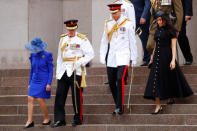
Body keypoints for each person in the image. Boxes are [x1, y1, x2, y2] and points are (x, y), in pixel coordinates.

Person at [144, 11, 193, 114]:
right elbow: (156, 46)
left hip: (167, 56)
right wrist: (151, 58)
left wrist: (173, 60)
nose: (159, 22)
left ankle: (171, 97)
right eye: (157, 20)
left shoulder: (172, 31)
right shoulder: (157, 31)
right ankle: (158, 106)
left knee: (170, 77)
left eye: (160, 20)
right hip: (157, 57)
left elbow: (174, 47)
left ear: (165, 19)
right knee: (155, 80)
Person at [51, 20, 94, 127]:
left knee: (76, 96)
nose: (71, 32)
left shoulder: (82, 39)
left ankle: (78, 118)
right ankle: (60, 119)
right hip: (63, 70)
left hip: (76, 71)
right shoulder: (63, 38)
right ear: (67, 29)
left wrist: (79, 62)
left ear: (76, 28)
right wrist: (58, 73)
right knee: (60, 95)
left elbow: (90, 54)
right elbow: (59, 57)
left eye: (73, 29)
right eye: (69, 30)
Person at [100, 3, 137, 115]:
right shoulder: (108, 23)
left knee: (120, 79)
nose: (114, 15)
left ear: (120, 11)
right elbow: (104, 41)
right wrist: (102, 56)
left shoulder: (127, 23)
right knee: (111, 82)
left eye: (115, 13)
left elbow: (132, 42)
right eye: (112, 13)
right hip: (111, 57)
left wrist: (133, 58)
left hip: (123, 56)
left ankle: (119, 107)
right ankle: (118, 103)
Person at [104, 0, 136, 85]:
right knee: (109, 55)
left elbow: (132, 21)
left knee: (123, 57)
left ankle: (124, 78)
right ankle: (111, 77)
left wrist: (131, 34)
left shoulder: (129, 5)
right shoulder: (114, 4)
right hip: (114, 33)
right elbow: (110, 19)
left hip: (124, 34)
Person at [24, 38, 53, 129]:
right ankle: (30, 121)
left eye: (37, 48)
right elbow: (32, 70)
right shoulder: (32, 55)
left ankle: (47, 118)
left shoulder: (47, 55)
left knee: (40, 99)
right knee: (30, 98)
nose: (35, 50)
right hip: (34, 80)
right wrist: (29, 83)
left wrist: (49, 83)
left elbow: (51, 71)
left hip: (44, 80)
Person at [130, 0, 151, 66]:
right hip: (129, 20)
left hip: (141, 20)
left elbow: (148, 4)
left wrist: (144, 16)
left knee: (144, 39)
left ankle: (147, 59)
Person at [178, 0, 193, 65]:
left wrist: (188, 13)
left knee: (181, 35)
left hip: (180, 12)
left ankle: (188, 58)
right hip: (168, 12)